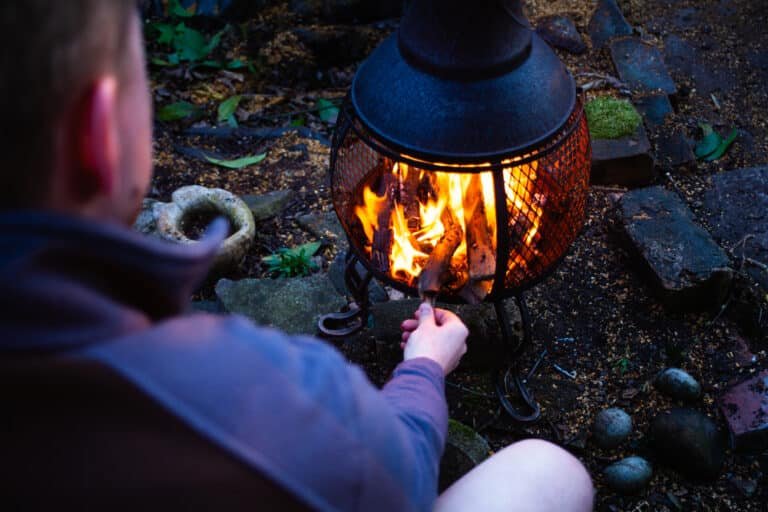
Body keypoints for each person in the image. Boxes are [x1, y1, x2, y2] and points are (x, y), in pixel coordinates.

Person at [0, 1, 594, 510]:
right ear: (98, 134)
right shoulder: (243, 396)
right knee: (551, 471)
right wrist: (423, 370)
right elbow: (400, 476)